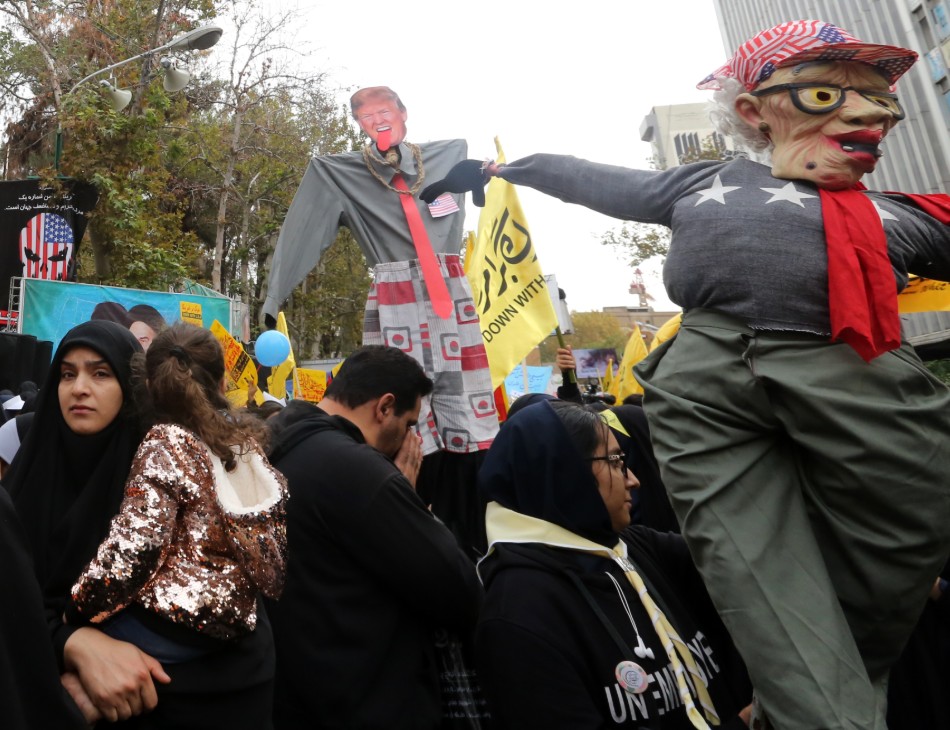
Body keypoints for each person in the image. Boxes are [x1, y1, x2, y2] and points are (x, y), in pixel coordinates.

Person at [429, 20, 950, 729]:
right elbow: (596, 180)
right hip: (703, 381)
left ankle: (821, 693)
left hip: (844, 362)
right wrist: (507, 169)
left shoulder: (893, 214)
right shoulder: (704, 180)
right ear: (751, 110)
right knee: (746, 564)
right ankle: (818, 705)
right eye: (826, 93)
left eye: (878, 102)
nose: (864, 116)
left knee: (913, 519)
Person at [264, 85, 498, 556]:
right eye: (366, 116)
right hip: (396, 296)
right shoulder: (338, 173)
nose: (378, 121)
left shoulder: (449, 154)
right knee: (402, 418)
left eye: (385, 112)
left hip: (450, 289)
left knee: (469, 422)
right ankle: (410, 523)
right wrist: (273, 297)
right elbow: (300, 230)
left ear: (404, 114)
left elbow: (450, 210)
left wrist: (471, 189)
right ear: (359, 124)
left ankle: (475, 541)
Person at [62, 322, 288, 728]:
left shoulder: (164, 442)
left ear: (146, 384)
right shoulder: (245, 447)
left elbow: (135, 549)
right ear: (221, 381)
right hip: (233, 629)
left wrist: (77, 611)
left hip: (171, 626)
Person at [475, 399, 750, 728]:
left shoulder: (634, 547)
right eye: (617, 461)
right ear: (566, 471)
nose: (633, 479)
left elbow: (742, 557)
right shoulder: (518, 613)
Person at [266, 345, 482, 729]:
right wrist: (407, 501)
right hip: (366, 700)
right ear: (384, 407)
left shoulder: (265, 445)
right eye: (410, 423)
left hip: (290, 696)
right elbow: (458, 589)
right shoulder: (360, 472)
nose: (410, 437)